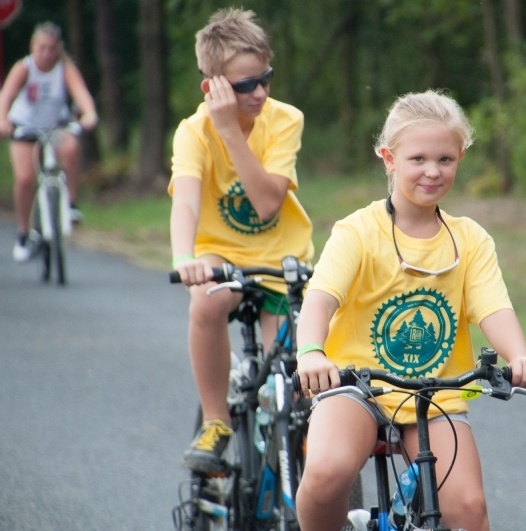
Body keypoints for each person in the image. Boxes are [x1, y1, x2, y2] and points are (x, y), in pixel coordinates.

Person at [294, 89, 526, 531]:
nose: (433, 171)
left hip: (434, 395)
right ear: (389, 159)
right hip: (357, 386)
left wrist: (519, 356)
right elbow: (321, 297)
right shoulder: (358, 231)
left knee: (469, 509)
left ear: (460, 158)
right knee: (325, 474)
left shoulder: (470, 239)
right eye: (418, 159)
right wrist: (312, 352)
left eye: (445, 159)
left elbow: (494, 308)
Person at [169, 7, 313, 475]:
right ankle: (216, 421)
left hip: (283, 259)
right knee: (208, 300)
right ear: (211, 88)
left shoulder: (284, 119)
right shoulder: (194, 132)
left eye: (265, 79)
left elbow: (268, 202)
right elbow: (186, 203)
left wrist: (232, 131)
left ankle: (292, 462)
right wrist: (184, 257)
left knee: (292, 379)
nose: (260, 93)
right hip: (222, 254)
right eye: (246, 85)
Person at [0, 21, 98, 262]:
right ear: (33, 47)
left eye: (52, 48)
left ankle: (71, 203)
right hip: (25, 127)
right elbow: (6, 96)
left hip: (55, 126)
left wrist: (89, 114)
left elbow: (81, 94)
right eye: (42, 48)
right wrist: (3, 120)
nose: (47, 53)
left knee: (71, 148)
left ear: (58, 48)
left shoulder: (64, 68)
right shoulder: (24, 68)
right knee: (25, 179)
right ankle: (24, 232)